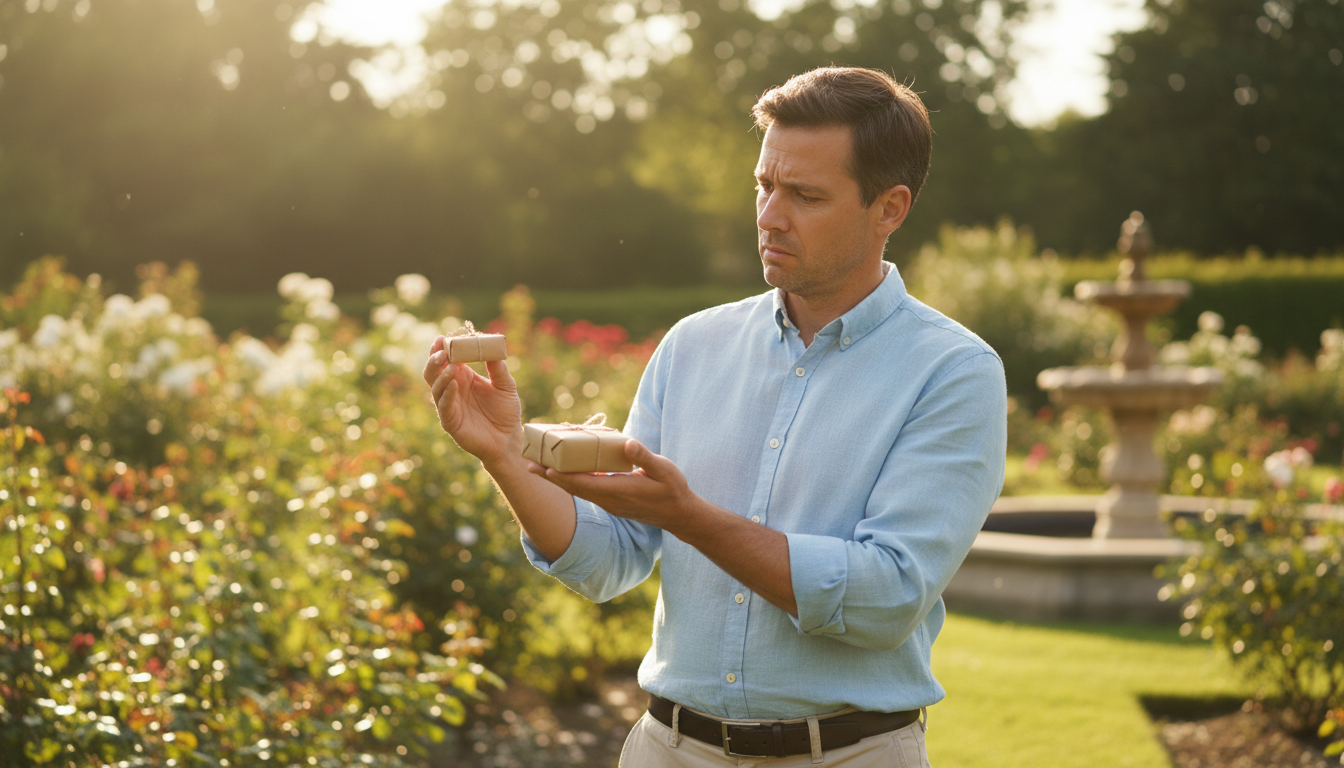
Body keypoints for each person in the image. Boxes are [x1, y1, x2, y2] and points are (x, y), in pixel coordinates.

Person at [423, 66, 1006, 767]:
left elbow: (886, 597)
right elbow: (608, 561)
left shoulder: (951, 372)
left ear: (890, 208)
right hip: (668, 750)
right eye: (763, 185)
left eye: (804, 195)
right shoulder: (693, 345)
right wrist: (506, 453)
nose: (769, 216)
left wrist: (689, 516)